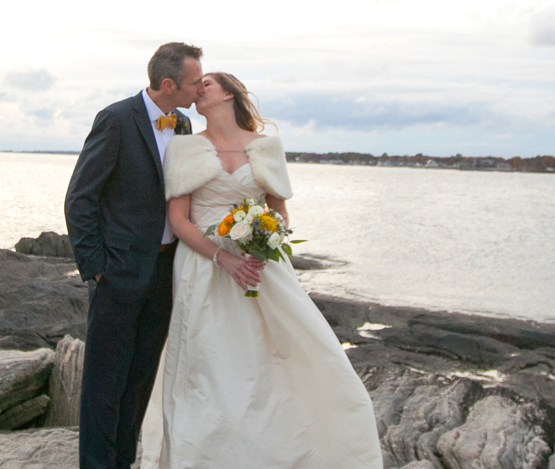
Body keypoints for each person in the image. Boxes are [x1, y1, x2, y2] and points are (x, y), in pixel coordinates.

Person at [139, 72, 384, 467]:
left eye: (207, 84)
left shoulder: (266, 147)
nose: (198, 88)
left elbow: (280, 214)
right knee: (209, 368)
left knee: (284, 359)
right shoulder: (184, 147)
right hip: (204, 269)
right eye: (196, 84)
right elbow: (180, 221)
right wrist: (224, 257)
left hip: (259, 268)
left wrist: (261, 241)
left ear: (230, 94)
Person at [64, 42, 203, 469]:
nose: (200, 90)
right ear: (168, 84)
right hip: (118, 274)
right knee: (104, 386)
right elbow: (80, 199)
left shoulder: (182, 126)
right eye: (195, 83)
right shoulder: (116, 119)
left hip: (165, 273)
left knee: (140, 382)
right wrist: (97, 269)